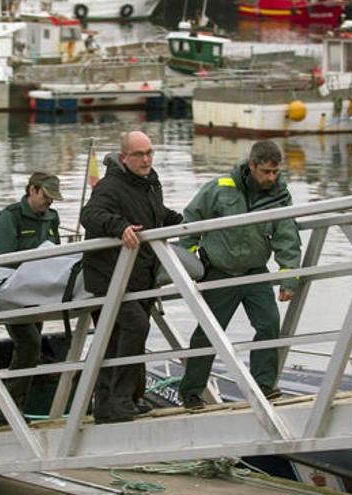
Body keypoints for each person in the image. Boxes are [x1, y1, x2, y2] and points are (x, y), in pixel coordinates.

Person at [178, 140, 301, 409]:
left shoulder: (279, 195)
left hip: (255, 271)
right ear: (252, 165)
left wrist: (288, 278)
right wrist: (188, 264)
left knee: (268, 324)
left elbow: (287, 237)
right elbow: (189, 223)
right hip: (219, 273)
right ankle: (190, 391)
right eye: (266, 172)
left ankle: (263, 386)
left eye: (275, 172)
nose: (271, 177)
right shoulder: (220, 188)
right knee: (209, 333)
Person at [80, 131, 183, 424]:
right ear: (124, 157)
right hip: (108, 277)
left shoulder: (150, 183)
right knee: (134, 327)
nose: (146, 159)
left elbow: (153, 213)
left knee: (114, 340)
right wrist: (119, 226)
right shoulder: (111, 185)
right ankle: (119, 400)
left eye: (150, 152)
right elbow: (90, 215)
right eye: (139, 154)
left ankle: (111, 404)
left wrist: (181, 220)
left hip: (140, 275)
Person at [0, 172, 63, 426]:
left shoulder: (52, 217)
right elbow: (1, 260)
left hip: (39, 294)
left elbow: (58, 251)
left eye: (53, 199)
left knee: (28, 350)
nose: (49, 203)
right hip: (14, 294)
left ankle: (11, 411)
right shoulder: (9, 217)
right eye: (46, 197)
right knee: (30, 345)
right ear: (32, 190)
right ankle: (9, 412)